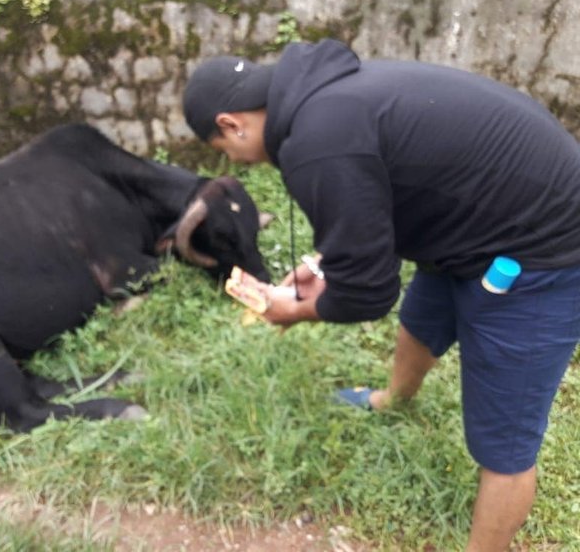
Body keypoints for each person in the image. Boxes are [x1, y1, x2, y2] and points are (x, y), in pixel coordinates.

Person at [181, 39, 580, 552]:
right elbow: (370, 209)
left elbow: (368, 293)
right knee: (423, 317)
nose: (235, 161)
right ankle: (393, 399)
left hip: (546, 247)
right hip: (477, 221)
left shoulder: (318, 143)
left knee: (504, 444)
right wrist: (316, 265)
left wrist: (298, 311)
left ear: (231, 124)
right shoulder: (324, 99)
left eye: (224, 152)